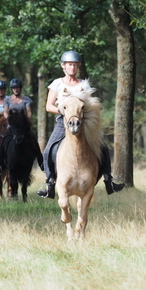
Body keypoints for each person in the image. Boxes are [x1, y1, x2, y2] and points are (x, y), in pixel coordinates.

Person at [37, 50, 124, 199]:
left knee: (102, 148)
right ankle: (50, 182)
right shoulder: (56, 84)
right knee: (47, 151)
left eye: (75, 65)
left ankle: (108, 180)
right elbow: (48, 106)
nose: (72, 68)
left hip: (83, 123)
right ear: (63, 66)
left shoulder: (84, 84)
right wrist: (63, 111)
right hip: (62, 123)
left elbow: (90, 105)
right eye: (70, 65)